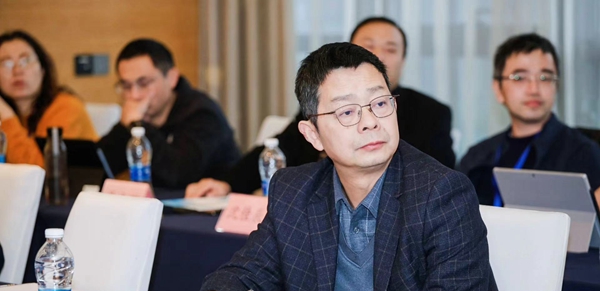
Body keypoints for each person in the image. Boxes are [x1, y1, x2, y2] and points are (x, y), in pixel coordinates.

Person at [191, 42, 535, 291]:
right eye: (347, 112)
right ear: (312, 135)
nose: (370, 122)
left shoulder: (442, 193)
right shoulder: (295, 191)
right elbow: (249, 273)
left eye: (380, 103)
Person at [185, 16, 454, 198]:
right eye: (368, 46)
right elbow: (280, 147)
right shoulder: (323, 106)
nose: (378, 56)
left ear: (404, 60)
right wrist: (228, 183)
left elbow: (438, 176)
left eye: (391, 49)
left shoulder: (431, 113)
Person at [459, 33, 600, 206]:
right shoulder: (476, 157)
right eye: (519, 77)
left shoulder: (583, 153)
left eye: (545, 77)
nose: (534, 89)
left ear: (556, 86)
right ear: (498, 89)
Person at [97, 39, 240, 189]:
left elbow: (179, 175)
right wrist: (128, 127)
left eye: (144, 84)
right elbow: (98, 169)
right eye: (126, 86)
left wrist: (139, 125)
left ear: (172, 78)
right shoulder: (137, 116)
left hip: (209, 202)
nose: (134, 95)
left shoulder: (203, 113)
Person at [0, 30, 98, 167]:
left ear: (43, 69)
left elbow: (42, 171)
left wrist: (6, 116)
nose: (17, 71)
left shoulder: (66, 107)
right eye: (7, 63)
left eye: (25, 61)